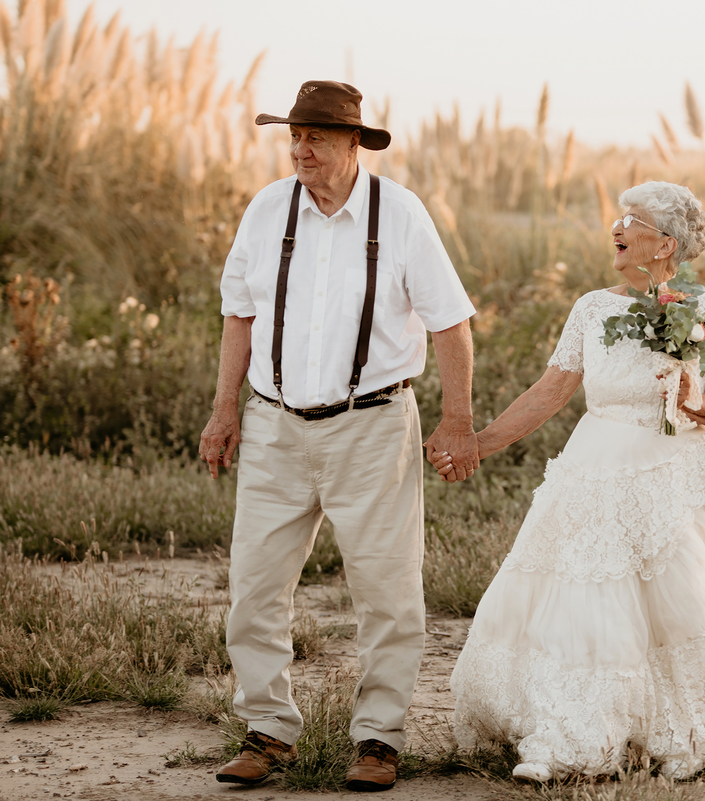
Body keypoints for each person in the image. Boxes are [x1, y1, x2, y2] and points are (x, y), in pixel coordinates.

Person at [199, 80, 479, 792]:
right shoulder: (266, 210)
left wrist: (457, 419)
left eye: (317, 137)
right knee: (254, 585)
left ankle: (379, 738)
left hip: (374, 424)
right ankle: (267, 730)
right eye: (294, 135)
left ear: (354, 143)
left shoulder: (401, 215)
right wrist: (223, 409)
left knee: (387, 589)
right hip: (273, 424)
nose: (301, 149)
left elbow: (450, 322)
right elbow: (239, 315)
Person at [439, 181, 705, 782]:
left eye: (631, 219)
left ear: (665, 243)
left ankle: (683, 733)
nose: (615, 228)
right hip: (594, 471)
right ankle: (571, 738)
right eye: (617, 216)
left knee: (678, 603)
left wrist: (695, 398)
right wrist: (477, 445)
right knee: (583, 599)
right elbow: (549, 393)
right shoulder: (592, 307)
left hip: (673, 477)